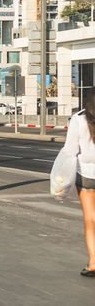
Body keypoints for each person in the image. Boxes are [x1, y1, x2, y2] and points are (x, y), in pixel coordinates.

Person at [62, 94, 95, 277]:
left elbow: (70, 150)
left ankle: (93, 263)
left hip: (87, 174)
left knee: (90, 218)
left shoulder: (78, 120)